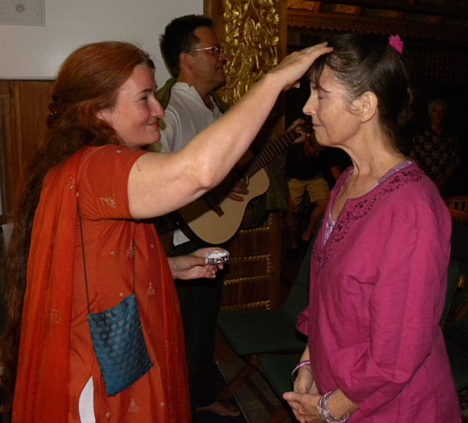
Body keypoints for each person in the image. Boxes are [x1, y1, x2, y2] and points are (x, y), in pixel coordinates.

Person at [0, 40, 331, 422]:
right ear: (97, 112)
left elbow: (92, 258)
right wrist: (272, 81)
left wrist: (171, 265)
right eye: (144, 99)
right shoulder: (98, 165)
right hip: (99, 363)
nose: (158, 109)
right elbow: (197, 174)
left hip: (114, 347)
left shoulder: (87, 162)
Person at [283, 34, 461, 422]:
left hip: (392, 407)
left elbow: (400, 351)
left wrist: (330, 410)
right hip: (339, 384)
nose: (308, 107)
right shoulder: (349, 180)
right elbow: (327, 297)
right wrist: (309, 363)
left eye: (321, 94)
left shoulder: (410, 209)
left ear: (365, 106)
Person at [156, 15, 245, 418]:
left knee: (204, 320)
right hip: (184, 241)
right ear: (186, 60)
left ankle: (203, 393)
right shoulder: (172, 111)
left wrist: (227, 184)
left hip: (213, 229)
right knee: (189, 326)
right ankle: (190, 404)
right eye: (214, 50)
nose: (223, 57)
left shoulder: (212, 108)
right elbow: (158, 177)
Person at [409, 98, 460, 194]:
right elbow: (415, 160)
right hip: (424, 185)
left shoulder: (451, 138)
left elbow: (454, 162)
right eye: (435, 111)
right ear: (430, 114)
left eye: (442, 112)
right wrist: (429, 181)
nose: (439, 115)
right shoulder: (421, 137)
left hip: (445, 187)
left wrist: (442, 182)